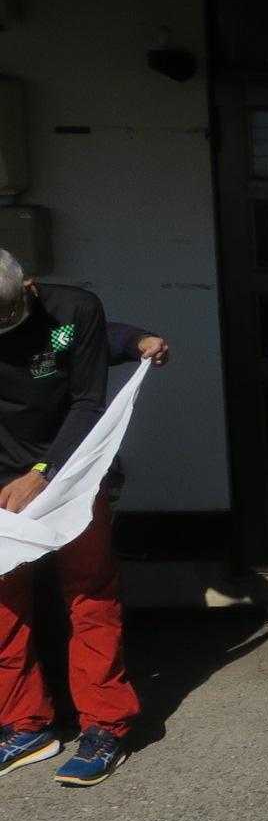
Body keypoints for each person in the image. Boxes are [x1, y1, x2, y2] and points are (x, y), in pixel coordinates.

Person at [0, 248, 143, 786]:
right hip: (2, 475)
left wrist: (43, 473)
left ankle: (105, 724)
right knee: (2, 605)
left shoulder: (73, 312)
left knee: (89, 594)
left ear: (30, 288)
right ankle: (23, 724)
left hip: (70, 471)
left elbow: (87, 401)